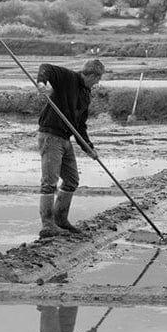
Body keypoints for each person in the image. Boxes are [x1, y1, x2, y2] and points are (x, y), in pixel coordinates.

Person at [35, 59, 105, 237]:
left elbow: (80, 126)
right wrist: (41, 83)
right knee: (49, 182)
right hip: (51, 136)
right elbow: (46, 68)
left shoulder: (85, 93)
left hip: (65, 138)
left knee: (72, 179)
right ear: (90, 75)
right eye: (97, 79)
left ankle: (61, 220)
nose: (97, 83)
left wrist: (88, 148)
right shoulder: (68, 78)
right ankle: (48, 225)